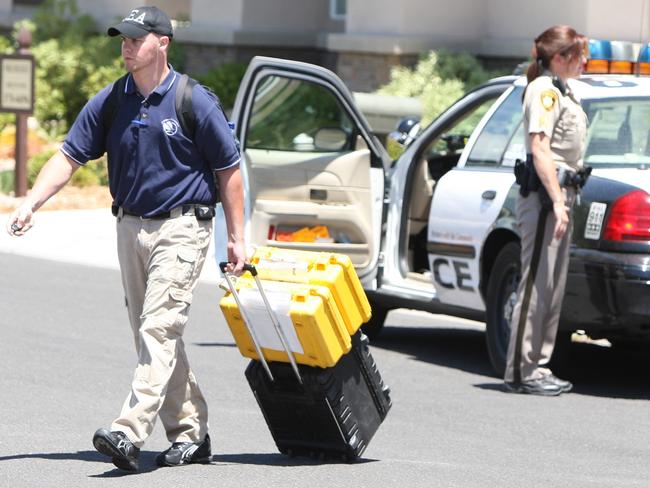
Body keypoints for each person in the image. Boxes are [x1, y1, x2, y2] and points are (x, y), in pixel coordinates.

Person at [5, 6, 246, 471]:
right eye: (123, 39)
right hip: (130, 226)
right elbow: (69, 156)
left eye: (137, 39)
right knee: (154, 332)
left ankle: (128, 430)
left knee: (158, 327)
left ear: (163, 43)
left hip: (183, 227)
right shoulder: (114, 100)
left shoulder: (193, 100)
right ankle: (191, 433)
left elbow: (228, 171)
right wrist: (31, 202)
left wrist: (236, 238)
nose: (127, 46)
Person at [504, 25, 588, 396]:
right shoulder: (544, 91)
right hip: (544, 198)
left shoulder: (563, 90)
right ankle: (521, 370)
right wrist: (556, 199)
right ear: (559, 58)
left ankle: (539, 365)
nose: (584, 61)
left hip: (562, 194)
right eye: (579, 54)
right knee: (536, 284)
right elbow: (540, 149)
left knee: (550, 287)